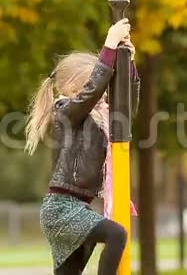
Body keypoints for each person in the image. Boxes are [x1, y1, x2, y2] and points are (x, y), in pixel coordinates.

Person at [25, 18, 140, 275]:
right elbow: (91, 92)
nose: (102, 93)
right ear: (74, 87)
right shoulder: (65, 112)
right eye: (97, 86)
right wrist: (109, 45)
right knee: (116, 234)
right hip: (61, 207)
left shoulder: (98, 119)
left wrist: (128, 65)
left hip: (76, 206)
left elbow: (128, 108)